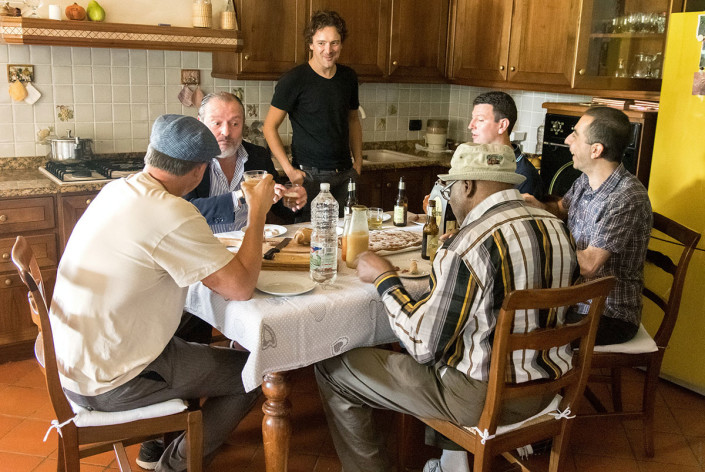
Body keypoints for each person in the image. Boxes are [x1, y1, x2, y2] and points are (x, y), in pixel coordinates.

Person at [315, 143, 579, 472]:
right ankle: (450, 462)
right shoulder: (557, 226)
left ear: (466, 186)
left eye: (448, 188)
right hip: (550, 386)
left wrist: (385, 278)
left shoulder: (469, 242)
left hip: (484, 399)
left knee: (333, 368)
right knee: (458, 338)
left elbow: (422, 346)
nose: (448, 197)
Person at [48, 114, 276, 472]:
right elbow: (241, 287)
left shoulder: (117, 190)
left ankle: (162, 448)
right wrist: (258, 212)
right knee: (258, 374)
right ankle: (176, 466)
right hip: (112, 379)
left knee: (201, 344)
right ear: (200, 171)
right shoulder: (172, 213)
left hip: (73, 360)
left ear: (150, 154)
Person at [524, 106, 652, 345]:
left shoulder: (625, 198)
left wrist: (540, 242)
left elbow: (589, 265)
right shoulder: (587, 179)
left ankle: (557, 381)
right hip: (574, 298)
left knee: (521, 331)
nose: (567, 140)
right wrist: (536, 206)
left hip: (607, 313)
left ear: (596, 150)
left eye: (575, 134)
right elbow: (562, 208)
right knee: (507, 311)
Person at [263, 10, 363, 219]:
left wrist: (358, 163)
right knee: (311, 241)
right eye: (321, 43)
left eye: (334, 43)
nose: (328, 50)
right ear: (310, 44)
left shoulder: (348, 77)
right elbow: (269, 127)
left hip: (345, 174)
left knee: (346, 239)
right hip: (310, 176)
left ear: (341, 44)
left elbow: (353, 120)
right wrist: (289, 170)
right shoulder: (293, 80)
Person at [185, 91, 307, 233]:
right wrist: (240, 196)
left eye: (235, 123)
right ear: (201, 123)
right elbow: (185, 210)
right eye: (217, 123)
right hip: (206, 246)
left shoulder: (258, 156)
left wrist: (291, 200)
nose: (226, 132)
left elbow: (279, 208)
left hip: (248, 245)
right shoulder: (189, 159)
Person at [469, 91, 543, 199]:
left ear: (502, 125)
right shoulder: (479, 162)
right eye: (472, 118)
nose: (470, 125)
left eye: (480, 120)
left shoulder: (524, 176)